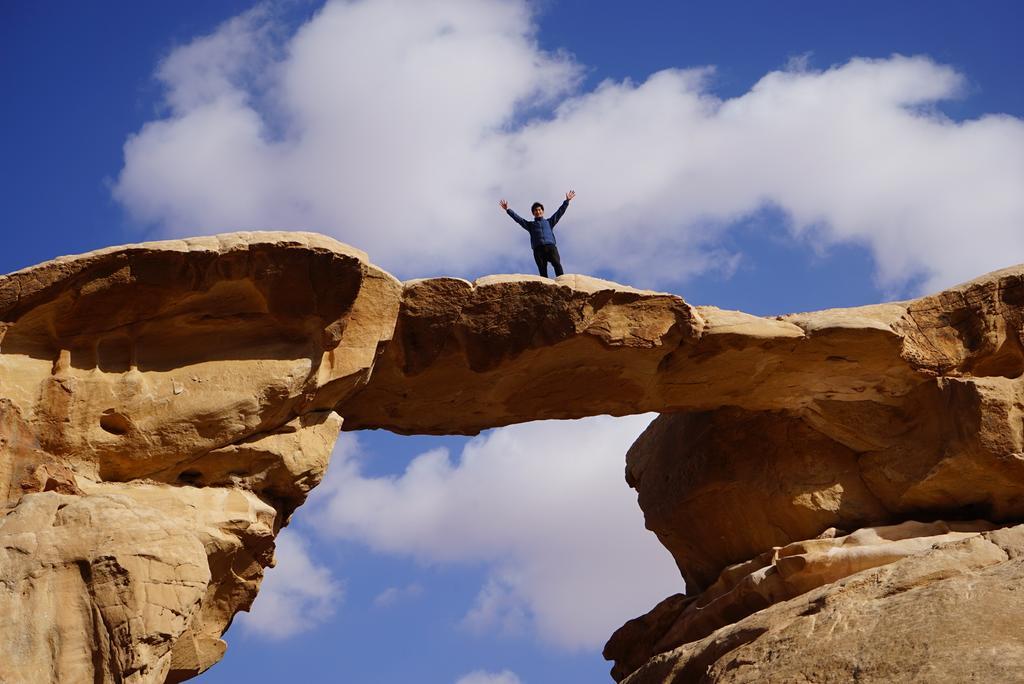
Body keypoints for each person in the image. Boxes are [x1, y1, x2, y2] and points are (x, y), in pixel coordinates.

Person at [500, 191, 576, 277]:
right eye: (535, 210)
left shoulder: (549, 222)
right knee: (542, 271)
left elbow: (560, 212)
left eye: (539, 210)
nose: (538, 211)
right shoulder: (530, 225)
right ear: (533, 213)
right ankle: (545, 289)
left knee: (557, 264)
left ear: (542, 211)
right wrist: (508, 210)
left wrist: (567, 201)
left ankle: (563, 283)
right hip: (538, 249)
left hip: (550, 247)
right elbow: (519, 219)